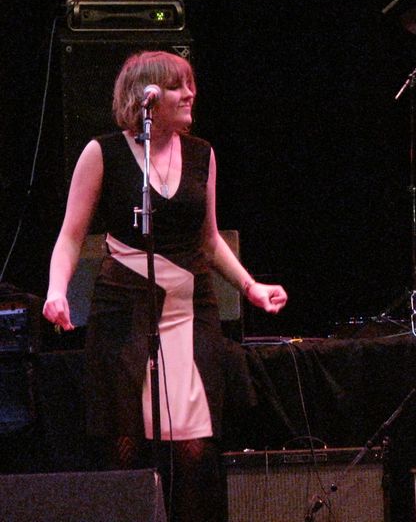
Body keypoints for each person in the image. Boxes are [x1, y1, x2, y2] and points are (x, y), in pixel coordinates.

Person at [42, 51, 288, 521]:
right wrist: (57, 291)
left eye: (191, 84)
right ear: (146, 98)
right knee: (126, 446)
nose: (190, 94)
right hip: (124, 308)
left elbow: (209, 240)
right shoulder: (102, 152)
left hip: (189, 309)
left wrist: (251, 287)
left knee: (194, 450)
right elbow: (71, 236)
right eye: (177, 86)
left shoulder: (202, 154)